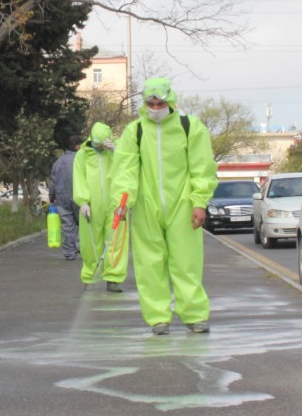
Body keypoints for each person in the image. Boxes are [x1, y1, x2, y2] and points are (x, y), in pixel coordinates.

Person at [110, 77, 218, 335]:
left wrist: (199, 202)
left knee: (187, 262)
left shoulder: (190, 127)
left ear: (171, 101)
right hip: (147, 206)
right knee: (149, 264)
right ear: (144, 104)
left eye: (161, 103)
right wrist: (122, 201)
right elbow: (125, 169)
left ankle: (194, 315)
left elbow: (201, 167)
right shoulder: (135, 132)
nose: (156, 108)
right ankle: (158, 317)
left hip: (183, 204)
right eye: (151, 103)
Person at [73, 122, 127, 292]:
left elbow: (128, 170)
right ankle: (89, 277)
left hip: (115, 203)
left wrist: (116, 152)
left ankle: (113, 278)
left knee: (116, 241)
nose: (100, 147)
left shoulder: (116, 153)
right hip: (91, 206)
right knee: (90, 242)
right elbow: (79, 178)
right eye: (97, 144)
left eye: (103, 144)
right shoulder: (83, 155)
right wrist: (82, 202)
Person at [49, 135, 82, 260]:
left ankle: (70, 253)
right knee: (83, 224)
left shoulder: (59, 161)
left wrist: (51, 197)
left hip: (62, 197)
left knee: (67, 225)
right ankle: (82, 247)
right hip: (80, 197)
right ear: (77, 146)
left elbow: (53, 181)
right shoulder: (82, 159)